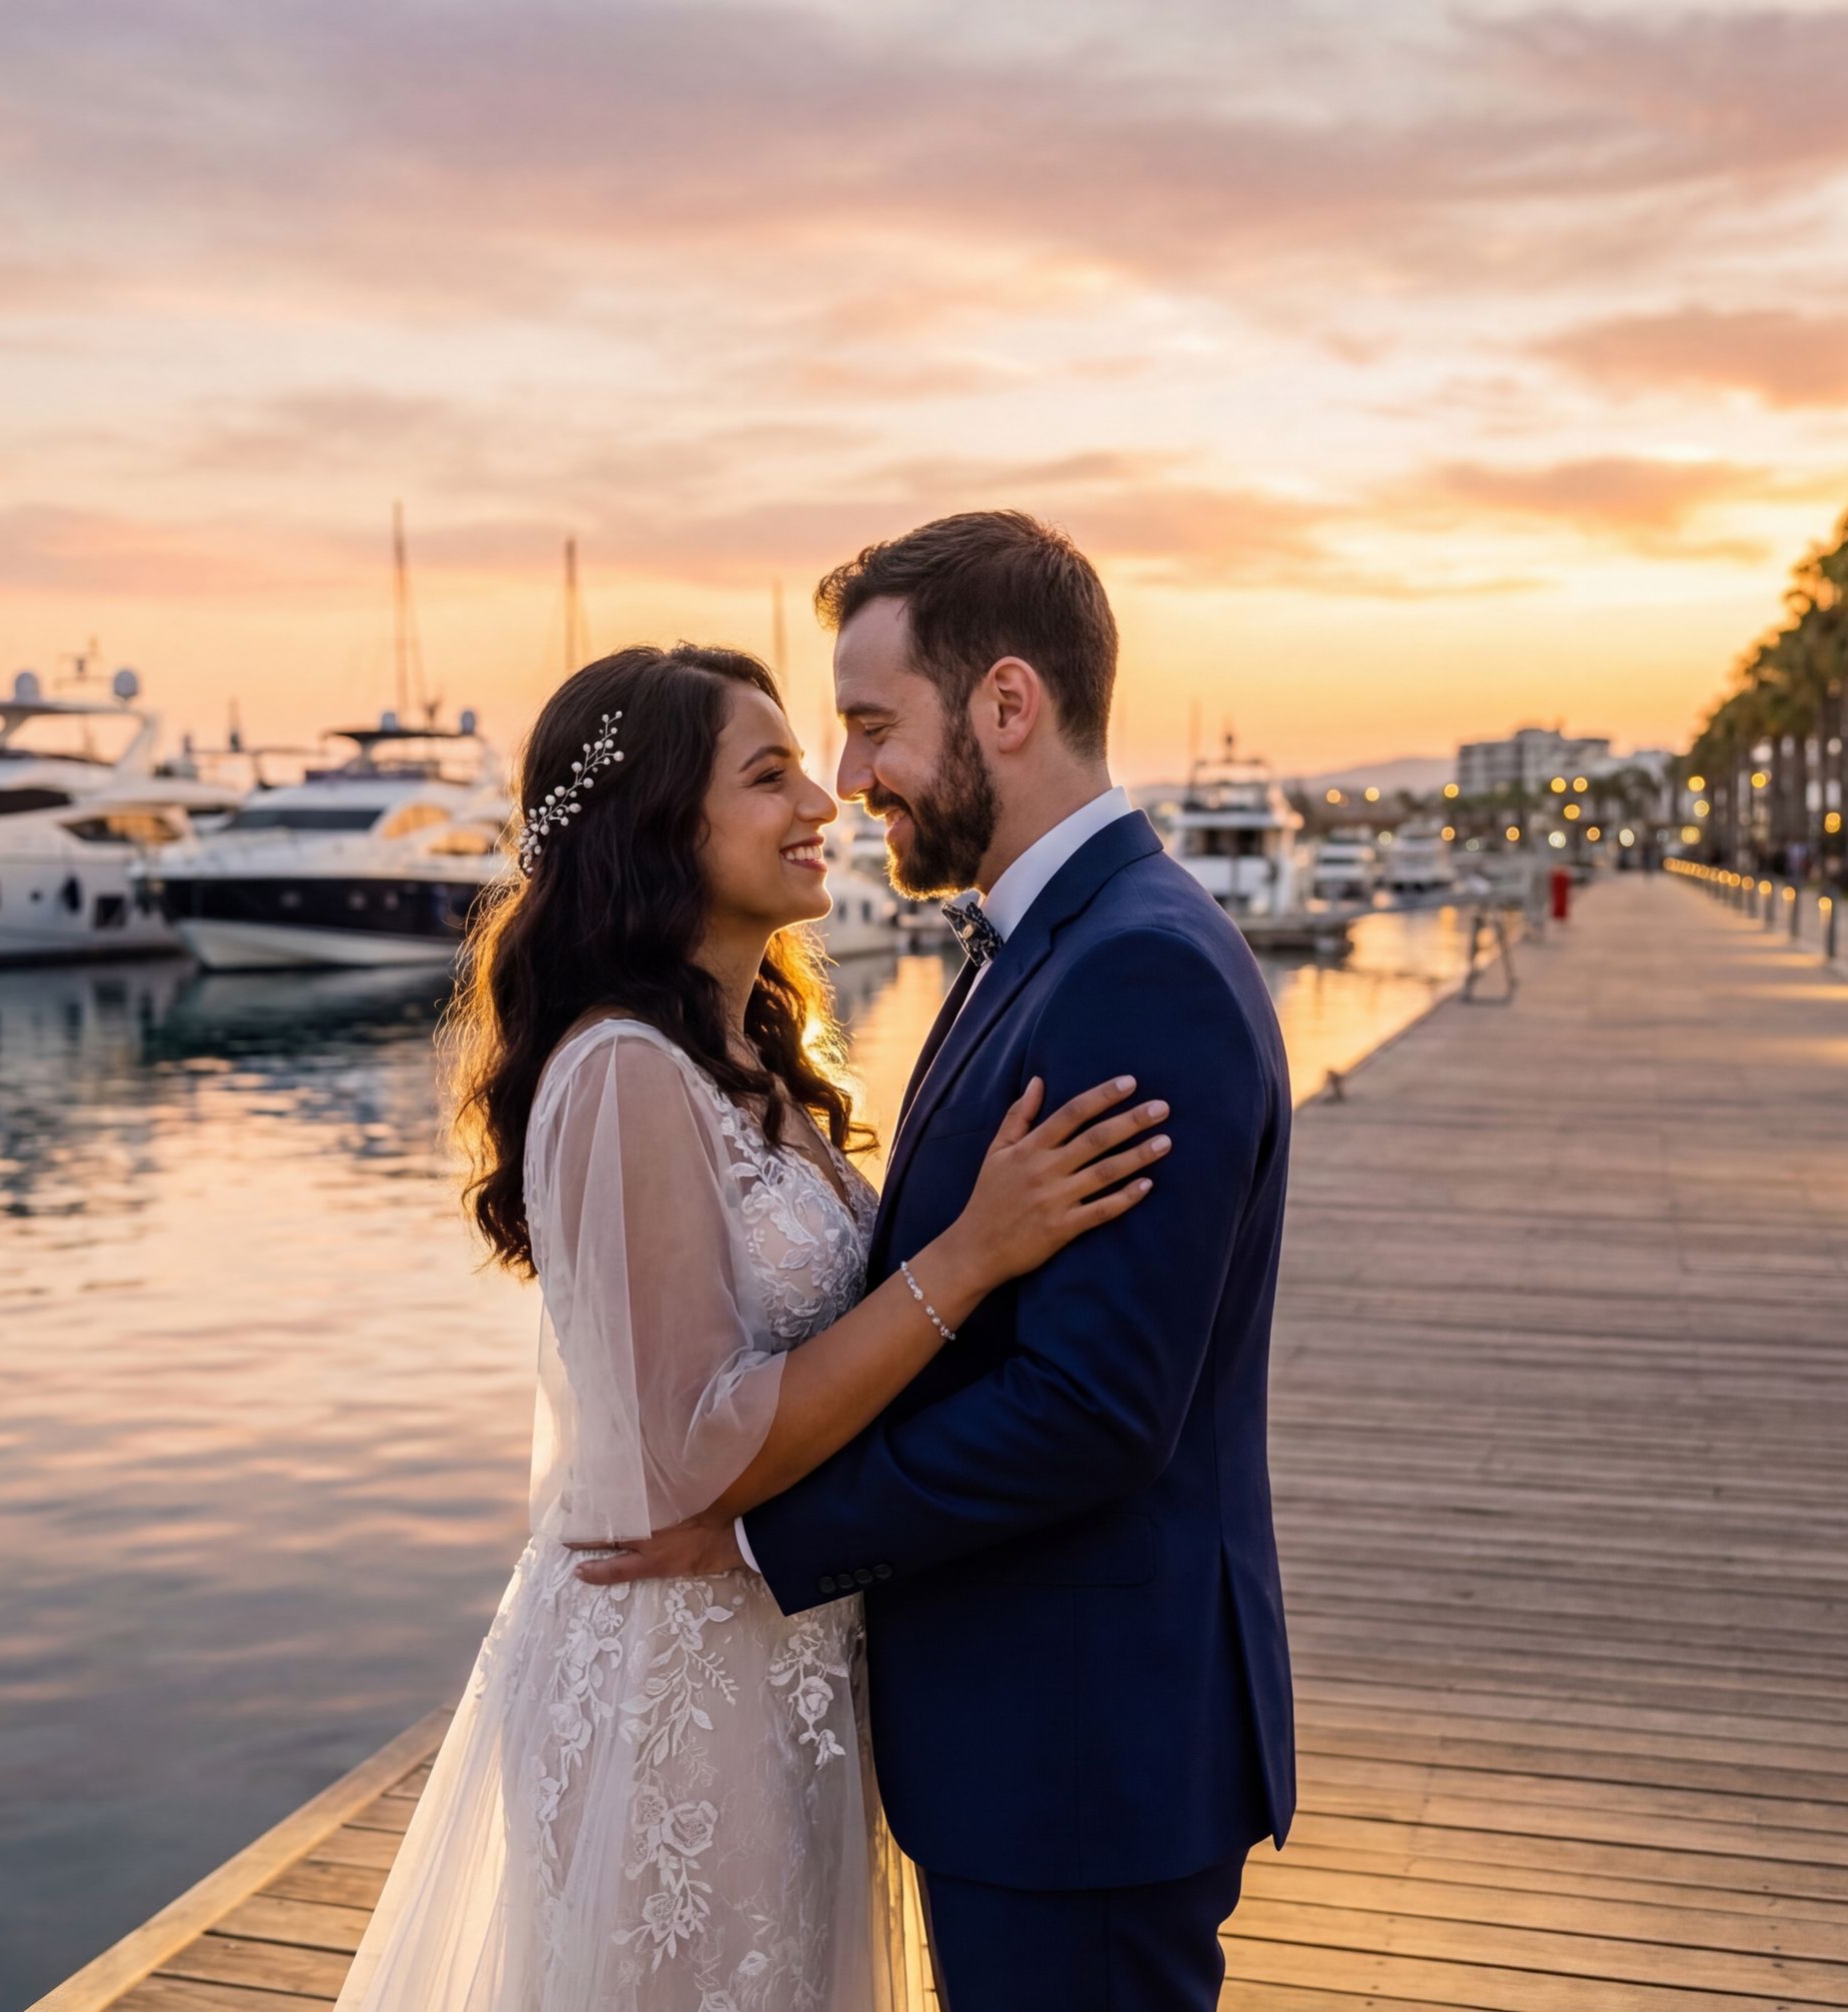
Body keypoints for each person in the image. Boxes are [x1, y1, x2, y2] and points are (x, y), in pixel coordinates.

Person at [336, 638, 1166, 2011]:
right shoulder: (620, 1071)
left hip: (774, 1649)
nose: (824, 804)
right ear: (660, 821)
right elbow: (695, 1447)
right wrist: (970, 1254)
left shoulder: (749, 1060)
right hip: (677, 1684)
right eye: (770, 773)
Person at [579, 513, 1296, 2010]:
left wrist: (773, 1544)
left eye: (869, 726)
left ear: (1007, 706)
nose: (850, 779)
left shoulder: (1135, 970)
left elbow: (1092, 1407)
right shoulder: (1043, 947)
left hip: (1081, 1756)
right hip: (1025, 1745)